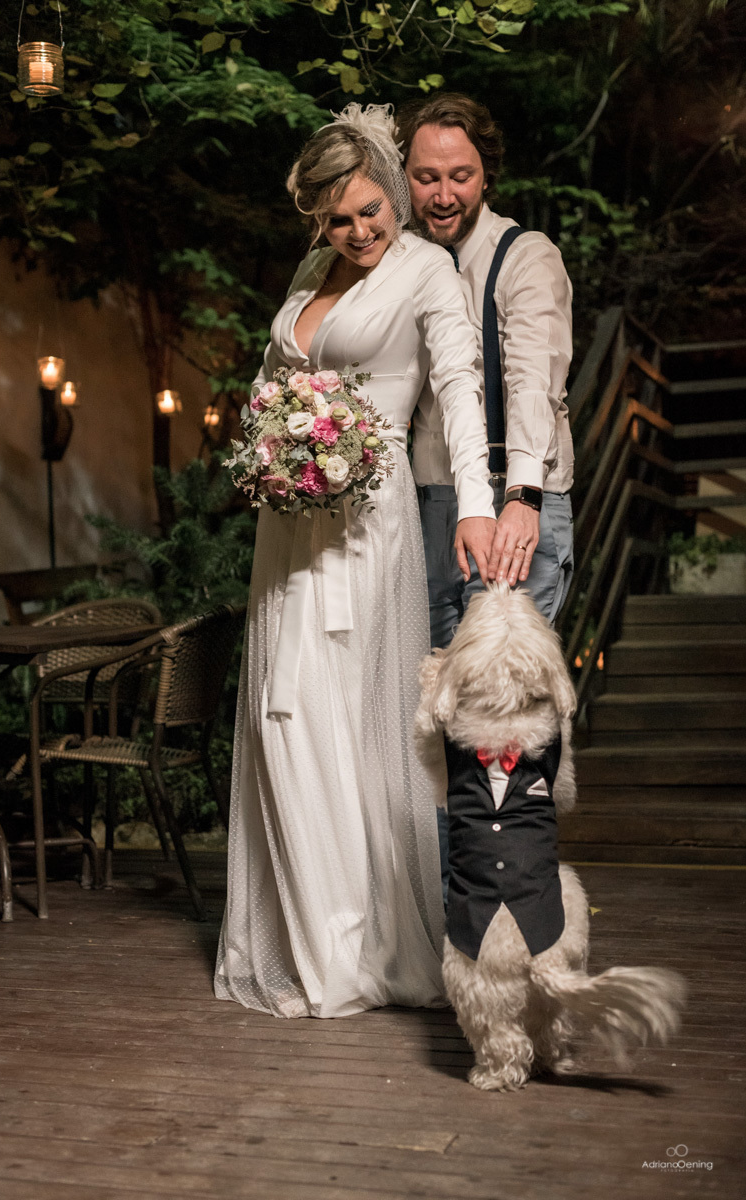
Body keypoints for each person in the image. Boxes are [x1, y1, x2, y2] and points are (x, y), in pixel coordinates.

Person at [214, 104, 495, 1019]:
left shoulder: (426, 273)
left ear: (390, 190)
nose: (360, 230)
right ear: (315, 222)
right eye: (339, 219)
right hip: (290, 523)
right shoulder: (310, 274)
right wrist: (267, 442)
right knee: (277, 717)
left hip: (365, 529)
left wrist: (483, 503)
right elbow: (271, 378)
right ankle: (304, 941)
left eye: (372, 208)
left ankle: (356, 947)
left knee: (337, 721)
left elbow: (455, 383)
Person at [397, 93, 575, 651]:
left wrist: (523, 499)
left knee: (502, 708)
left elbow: (532, 387)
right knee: (433, 698)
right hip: (425, 509)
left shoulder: (526, 257)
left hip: (513, 502)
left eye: (461, 176)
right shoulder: (401, 266)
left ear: (487, 176)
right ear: (403, 180)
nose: (444, 195)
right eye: (426, 177)